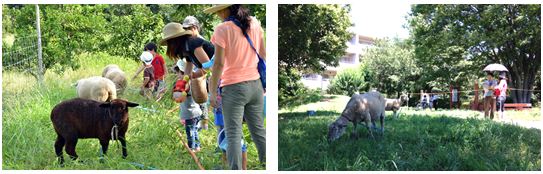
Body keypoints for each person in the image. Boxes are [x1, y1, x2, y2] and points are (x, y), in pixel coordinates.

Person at [206, 4, 266, 170]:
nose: (217, 14)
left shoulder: (222, 29)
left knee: (232, 134)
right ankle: (267, 165)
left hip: (233, 88)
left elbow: (218, 64)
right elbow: (263, 54)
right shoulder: (254, 23)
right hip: (256, 85)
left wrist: (212, 92)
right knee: (259, 130)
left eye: (218, 10)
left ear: (226, 9)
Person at [214, 82, 248, 170]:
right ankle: (226, 165)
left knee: (239, 143)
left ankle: (243, 168)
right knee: (223, 143)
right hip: (220, 115)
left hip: (233, 116)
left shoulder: (236, 77)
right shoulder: (216, 78)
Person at [173, 59, 203, 152]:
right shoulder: (193, 81)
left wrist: (176, 92)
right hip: (196, 111)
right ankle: (197, 146)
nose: (177, 75)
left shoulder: (186, 84)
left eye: (178, 73)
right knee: (194, 130)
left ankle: (192, 149)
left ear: (182, 73)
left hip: (191, 113)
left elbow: (179, 98)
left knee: (190, 132)